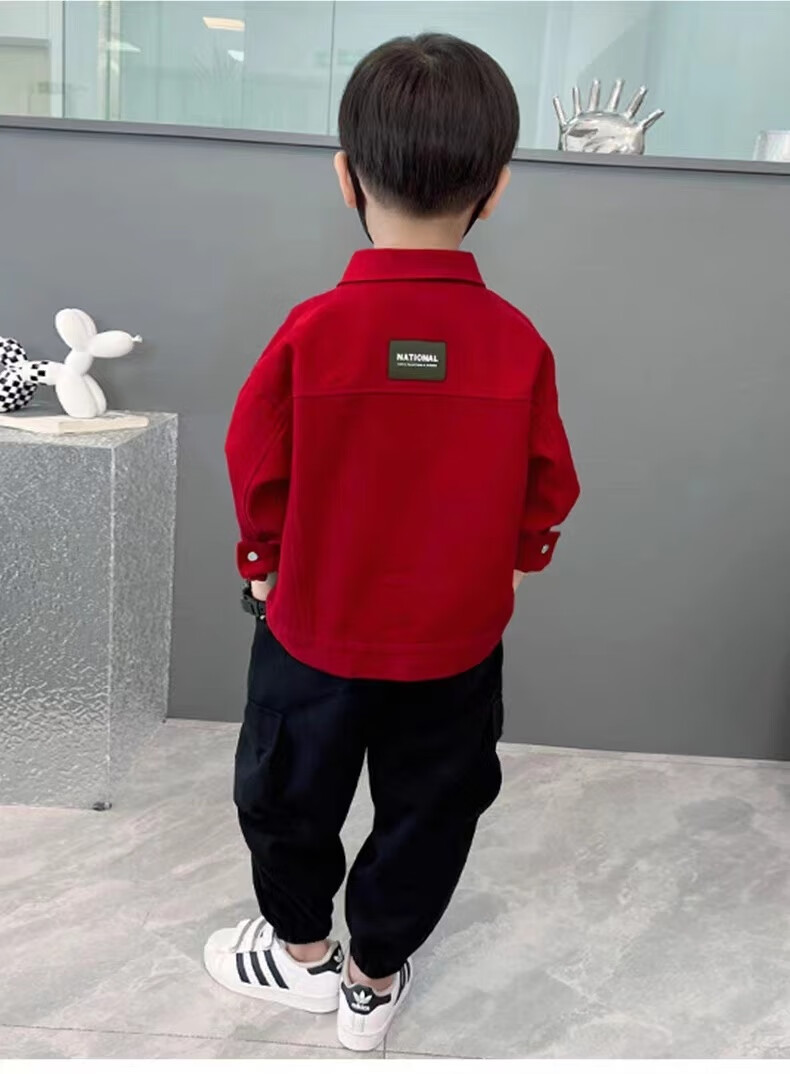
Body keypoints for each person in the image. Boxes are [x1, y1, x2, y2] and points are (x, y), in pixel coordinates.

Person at [204, 32, 579, 1052]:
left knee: (285, 793)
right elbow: (550, 480)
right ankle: (371, 982)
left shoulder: (311, 330)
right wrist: (522, 557)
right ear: (496, 190)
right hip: (454, 644)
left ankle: (304, 955)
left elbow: (253, 462)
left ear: (345, 177)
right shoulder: (516, 342)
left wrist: (261, 564)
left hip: (311, 630)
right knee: (433, 808)